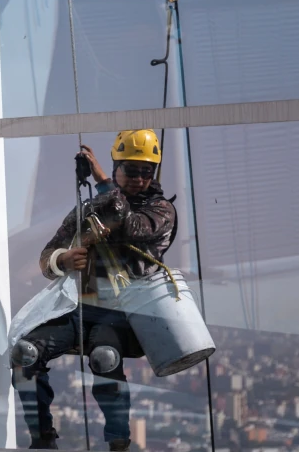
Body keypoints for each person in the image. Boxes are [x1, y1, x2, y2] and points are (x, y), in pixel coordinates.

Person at [11, 130, 177, 451]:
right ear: (118, 167)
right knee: (26, 353)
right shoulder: (91, 210)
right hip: (79, 309)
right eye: (132, 170)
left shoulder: (159, 212)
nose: (140, 178)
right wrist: (64, 259)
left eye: (146, 171)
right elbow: (47, 257)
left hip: (121, 316)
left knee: (105, 357)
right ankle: (42, 437)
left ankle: (118, 441)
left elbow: (131, 227)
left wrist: (105, 183)